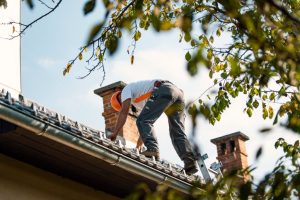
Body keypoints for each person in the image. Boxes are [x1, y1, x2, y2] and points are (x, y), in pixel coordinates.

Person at [109, 79, 198, 175]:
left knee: (143, 120)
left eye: (122, 104)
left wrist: (114, 133)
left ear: (119, 98)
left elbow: (124, 113)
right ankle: (190, 162)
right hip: (178, 94)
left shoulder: (125, 91)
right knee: (177, 131)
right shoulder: (140, 102)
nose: (126, 105)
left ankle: (153, 149)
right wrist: (139, 145)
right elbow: (146, 125)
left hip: (165, 89)